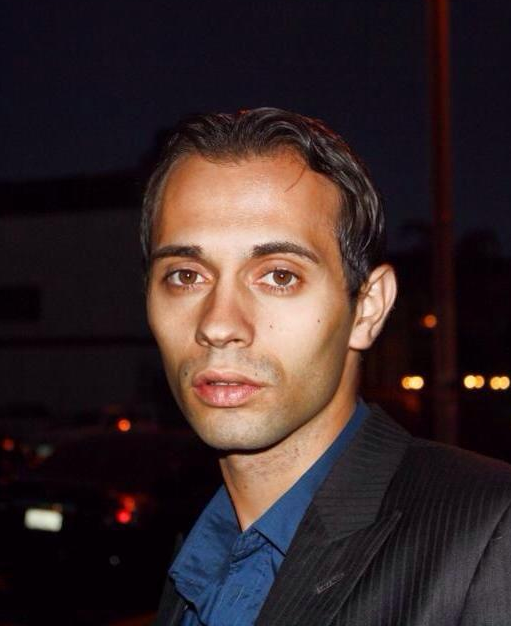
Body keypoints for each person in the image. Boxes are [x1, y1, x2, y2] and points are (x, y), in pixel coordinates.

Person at [142, 108, 511, 626]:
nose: (219, 324)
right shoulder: (199, 557)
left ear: (368, 309)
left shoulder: (490, 533)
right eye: (186, 276)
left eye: (279, 276)